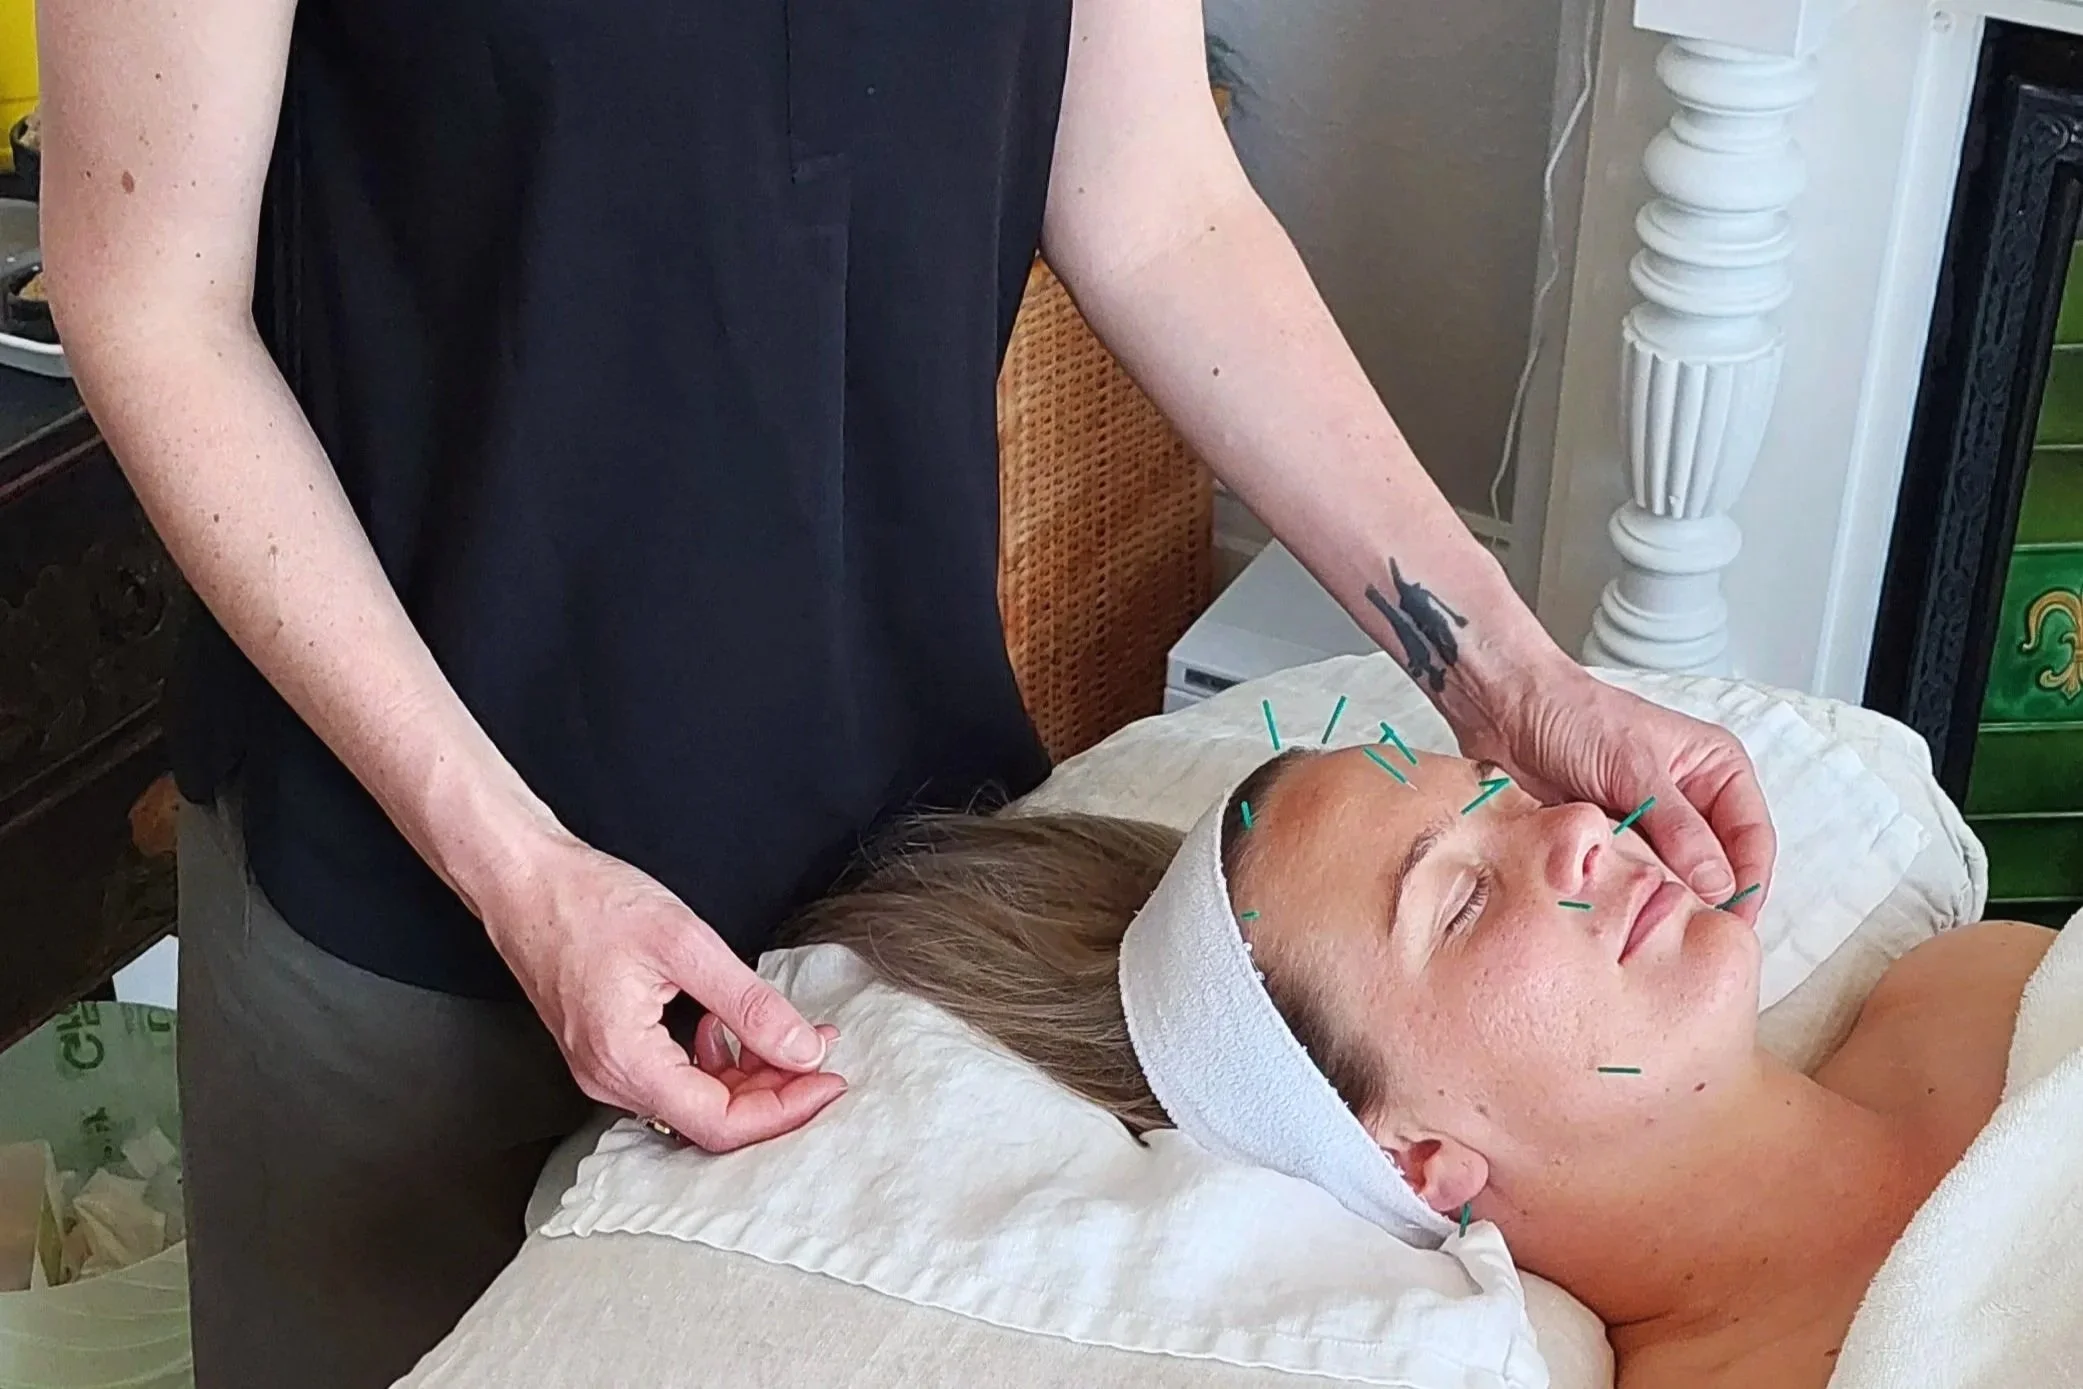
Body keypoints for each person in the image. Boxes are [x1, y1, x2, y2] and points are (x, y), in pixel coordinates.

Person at [38, 0, 1778, 1382]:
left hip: (889, 857)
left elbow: (1155, 199)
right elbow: (149, 296)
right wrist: (516, 861)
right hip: (409, 880)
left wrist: (1503, 671)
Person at [793, 747, 2049, 1388]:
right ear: (1415, 1159)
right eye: (1456, 906)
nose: (1571, 832)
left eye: (1503, 800)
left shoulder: (1971, 982)